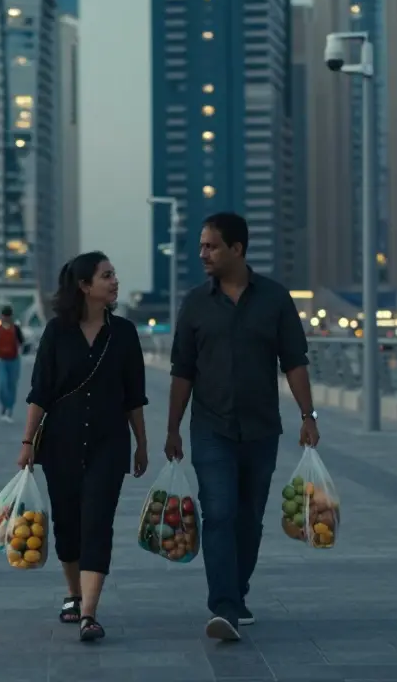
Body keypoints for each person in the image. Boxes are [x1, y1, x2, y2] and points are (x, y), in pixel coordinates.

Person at [164, 212, 318, 642]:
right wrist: (172, 428)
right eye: (201, 246)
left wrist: (309, 416)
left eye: (211, 246)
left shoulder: (275, 299)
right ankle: (224, 606)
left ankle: (237, 591)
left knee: (249, 518)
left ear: (238, 249)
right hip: (210, 428)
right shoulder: (195, 302)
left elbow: (294, 361)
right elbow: (182, 370)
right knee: (219, 513)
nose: (203, 254)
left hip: (262, 429)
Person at [18, 251, 150, 643]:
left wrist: (141, 444)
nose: (114, 282)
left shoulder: (124, 333)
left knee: (98, 523)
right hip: (61, 443)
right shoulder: (57, 332)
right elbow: (40, 391)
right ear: (84, 285)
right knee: (67, 525)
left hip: (110, 443)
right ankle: (73, 594)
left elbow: (134, 396)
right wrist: (27, 442)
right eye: (106, 275)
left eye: (114, 274)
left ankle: (89, 613)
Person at [0, 306, 26, 422]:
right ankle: (5, 405)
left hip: (14, 360)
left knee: (12, 385)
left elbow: (22, 342)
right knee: (3, 383)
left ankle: (9, 409)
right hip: (1, 360)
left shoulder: (16, 329)